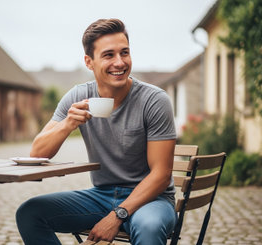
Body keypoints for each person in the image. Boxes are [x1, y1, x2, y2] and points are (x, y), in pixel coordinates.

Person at [16, 18, 177, 245]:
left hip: (152, 200)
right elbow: (37, 152)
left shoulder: (154, 100)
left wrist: (117, 215)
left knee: (149, 227)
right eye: (109, 55)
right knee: (30, 213)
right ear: (89, 62)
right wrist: (67, 124)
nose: (120, 62)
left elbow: (160, 175)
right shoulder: (77, 96)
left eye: (125, 53)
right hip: (101, 196)